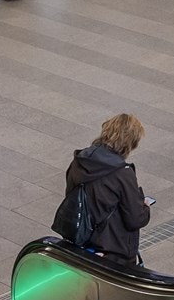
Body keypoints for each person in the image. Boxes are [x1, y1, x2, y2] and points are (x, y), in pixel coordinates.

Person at [52, 113, 151, 265]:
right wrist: (144, 205)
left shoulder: (79, 161)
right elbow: (135, 219)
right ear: (130, 142)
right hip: (113, 251)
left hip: (81, 242)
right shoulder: (122, 172)